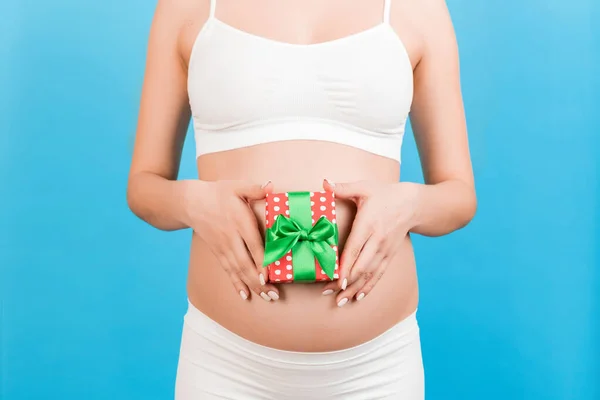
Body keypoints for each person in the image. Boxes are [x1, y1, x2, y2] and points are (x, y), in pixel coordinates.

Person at [127, 0, 476, 398]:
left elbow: (459, 195)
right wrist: (192, 201)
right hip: (225, 365)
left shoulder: (418, 8)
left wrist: (409, 205)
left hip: (377, 369)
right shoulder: (188, 7)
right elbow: (143, 185)